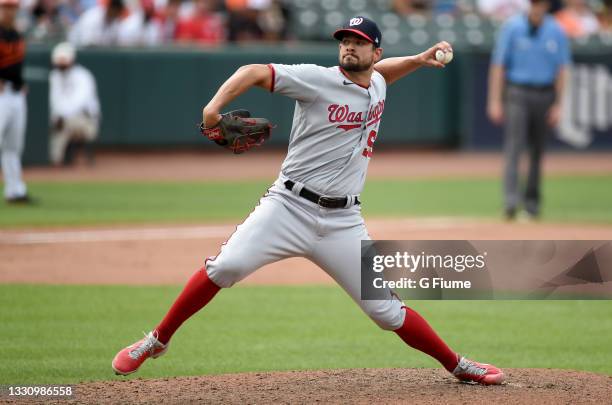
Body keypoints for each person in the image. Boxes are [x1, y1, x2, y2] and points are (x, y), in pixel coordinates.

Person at [112, 16, 505, 386]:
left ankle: (457, 365)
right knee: (225, 267)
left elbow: (383, 76)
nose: (350, 47)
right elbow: (251, 71)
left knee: (386, 312)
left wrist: (418, 61)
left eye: (360, 43)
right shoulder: (316, 80)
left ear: (376, 54)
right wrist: (212, 109)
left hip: (343, 221)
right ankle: (158, 339)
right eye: (346, 41)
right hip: (288, 207)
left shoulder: (378, 82)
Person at [487, 0, 570, 220]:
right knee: (514, 148)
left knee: (537, 151)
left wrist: (559, 104)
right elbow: (498, 65)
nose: (536, 7)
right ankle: (511, 203)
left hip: (544, 93)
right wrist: (494, 100)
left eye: (540, 3)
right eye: (533, 3)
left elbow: (562, 69)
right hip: (518, 92)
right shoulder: (512, 26)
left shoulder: (556, 29)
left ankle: (532, 205)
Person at [49, 42, 100, 166]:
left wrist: (61, 117)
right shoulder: (54, 76)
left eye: (64, 60)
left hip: (85, 119)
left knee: (67, 124)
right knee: (54, 157)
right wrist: (57, 117)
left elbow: (79, 102)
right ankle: (58, 159)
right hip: (59, 119)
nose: (61, 64)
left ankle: (65, 156)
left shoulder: (83, 76)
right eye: (59, 61)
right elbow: (53, 101)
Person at [0, 0, 31, 204]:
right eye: (6, 6)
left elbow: (17, 65)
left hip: (16, 93)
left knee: (13, 146)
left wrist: (22, 83)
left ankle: (15, 191)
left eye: (13, 7)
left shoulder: (17, 34)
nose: (10, 10)